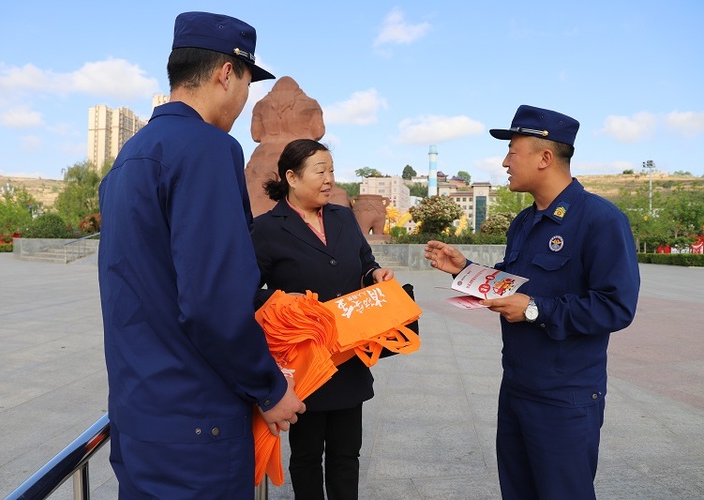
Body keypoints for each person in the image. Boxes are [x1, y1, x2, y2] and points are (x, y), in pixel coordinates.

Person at [98, 12, 305, 498]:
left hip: (141, 415)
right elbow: (213, 300)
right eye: (248, 83)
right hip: (197, 425)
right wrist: (270, 389)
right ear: (226, 72)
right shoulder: (207, 147)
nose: (245, 98)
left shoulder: (130, 156)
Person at [424, 105, 640, 499]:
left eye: (513, 152)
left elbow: (617, 306)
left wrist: (535, 309)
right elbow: (514, 287)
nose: (504, 162)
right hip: (519, 387)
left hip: (566, 396)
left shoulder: (600, 220)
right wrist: (464, 269)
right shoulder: (524, 222)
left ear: (545, 157)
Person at [250, 139, 394, 499]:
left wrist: (375, 274)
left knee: (347, 454)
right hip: (306, 361)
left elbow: (364, 262)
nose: (329, 179)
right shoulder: (267, 228)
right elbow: (246, 290)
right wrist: (281, 300)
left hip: (349, 353)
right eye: (320, 171)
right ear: (292, 178)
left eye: (331, 170)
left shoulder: (342, 216)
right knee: (307, 455)